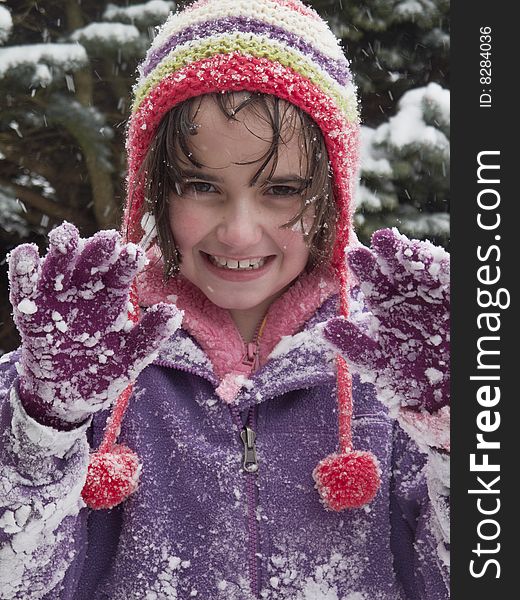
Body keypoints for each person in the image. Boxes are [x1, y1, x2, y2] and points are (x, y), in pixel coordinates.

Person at [0, 0, 450, 598]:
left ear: (335, 195)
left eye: (282, 190)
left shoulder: (395, 381)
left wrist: (456, 437)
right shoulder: (77, 374)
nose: (239, 231)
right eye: (201, 186)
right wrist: (45, 430)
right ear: (154, 188)